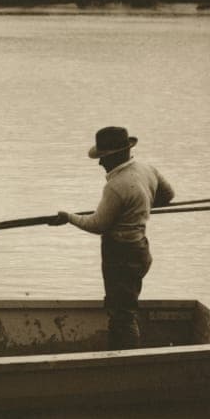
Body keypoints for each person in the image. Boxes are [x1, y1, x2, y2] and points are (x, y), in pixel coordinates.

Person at [50, 126, 174, 350]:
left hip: (121, 255)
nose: (100, 163)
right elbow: (168, 195)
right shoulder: (147, 169)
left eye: (103, 158)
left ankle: (126, 359)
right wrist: (140, 205)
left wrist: (69, 217)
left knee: (122, 314)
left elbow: (98, 225)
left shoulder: (116, 187)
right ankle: (121, 349)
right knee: (125, 304)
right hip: (141, 250)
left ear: (115, 156)